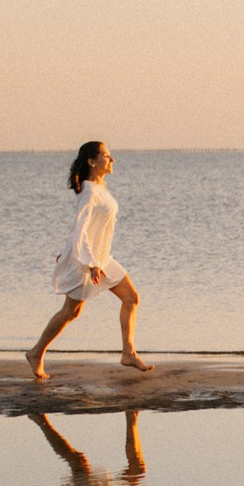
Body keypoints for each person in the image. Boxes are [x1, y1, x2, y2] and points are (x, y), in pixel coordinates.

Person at [25, 141, 150, 381]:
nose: (111, 160)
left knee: (131, 298)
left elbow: (88, 227)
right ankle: (36, 352)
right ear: (92, 161)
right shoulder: (90, 191)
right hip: (88, 260)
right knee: (71, 312)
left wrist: (92, 259)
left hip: (102, 259)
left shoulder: (100, 188)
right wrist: (90, 263)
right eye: (106, 156)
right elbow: (80, 229)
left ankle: (128, 352)